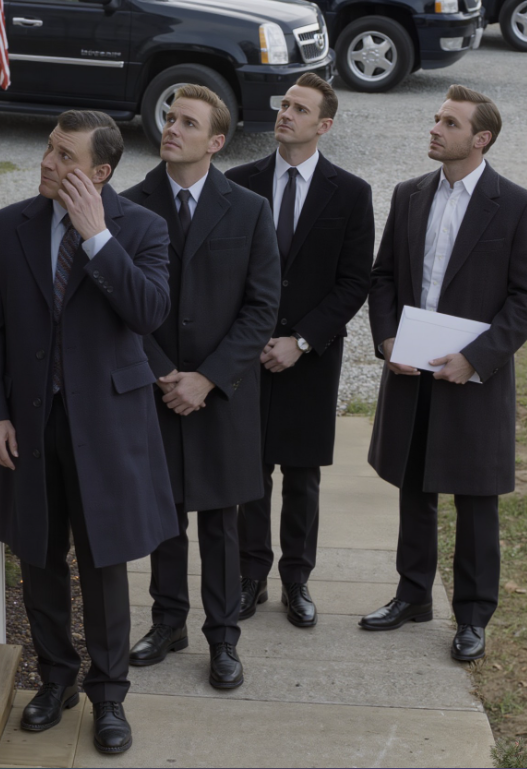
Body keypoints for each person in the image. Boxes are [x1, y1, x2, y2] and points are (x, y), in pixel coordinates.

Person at [0, 110, 177, 756]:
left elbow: (148, 312)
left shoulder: (142, 227)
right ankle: (55, 678)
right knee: (38, 556)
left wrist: (96, 238)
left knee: (103, 560)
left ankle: (109, 694)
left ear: (100, 172)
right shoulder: (10, 225)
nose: (48, 163)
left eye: (66, 157)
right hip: (30, 422)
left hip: (107, 424)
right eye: (49, 149)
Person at [361, 84, 527, 663]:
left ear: (481, 139)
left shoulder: (515, 204)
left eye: (449, 122)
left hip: (476, 375)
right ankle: (413, 595)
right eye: (436, 118)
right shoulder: (409, 194)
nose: (434, 128)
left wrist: (476, 357)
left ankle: (473, 616)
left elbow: (523, 299)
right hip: (412, 367)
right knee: (414, 484)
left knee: (475, 497)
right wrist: (387, 340)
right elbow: (383, 276)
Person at [122, 85, 280, 690]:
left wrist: (208, 377)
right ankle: (168, 622)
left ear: (216, 141)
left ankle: (223, 636)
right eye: (169, 117)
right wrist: (163, 371)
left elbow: (261, 308)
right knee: (162, 515)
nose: (172, 128)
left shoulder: (249, 209)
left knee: (220, 520)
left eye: (188, 122)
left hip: (223, 393)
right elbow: (119, 301)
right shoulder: (128, 206)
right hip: (156, 387)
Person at [226, 73, 374, 628]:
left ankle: (297, 579)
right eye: (284, 104)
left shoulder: (351, 193)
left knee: (303, 474)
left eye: (300, 109)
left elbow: (354, 282)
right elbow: (227, 273)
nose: (285, 114)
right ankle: (250, 576)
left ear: (324, 125)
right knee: (250, 470)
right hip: (248, 353)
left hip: (311, 356)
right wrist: (251, 337)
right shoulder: (238, 182)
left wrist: (302, 340)